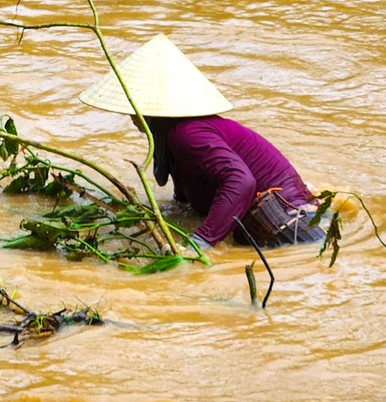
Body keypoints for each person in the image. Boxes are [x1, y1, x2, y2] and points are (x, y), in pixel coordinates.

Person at [78, 34, 325, 250]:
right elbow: (186, 200)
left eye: (133, 108)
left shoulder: (186, 134)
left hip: (291, 218)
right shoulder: (172, 137)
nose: (130, 116)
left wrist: (201, 242)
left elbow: (241, 182)